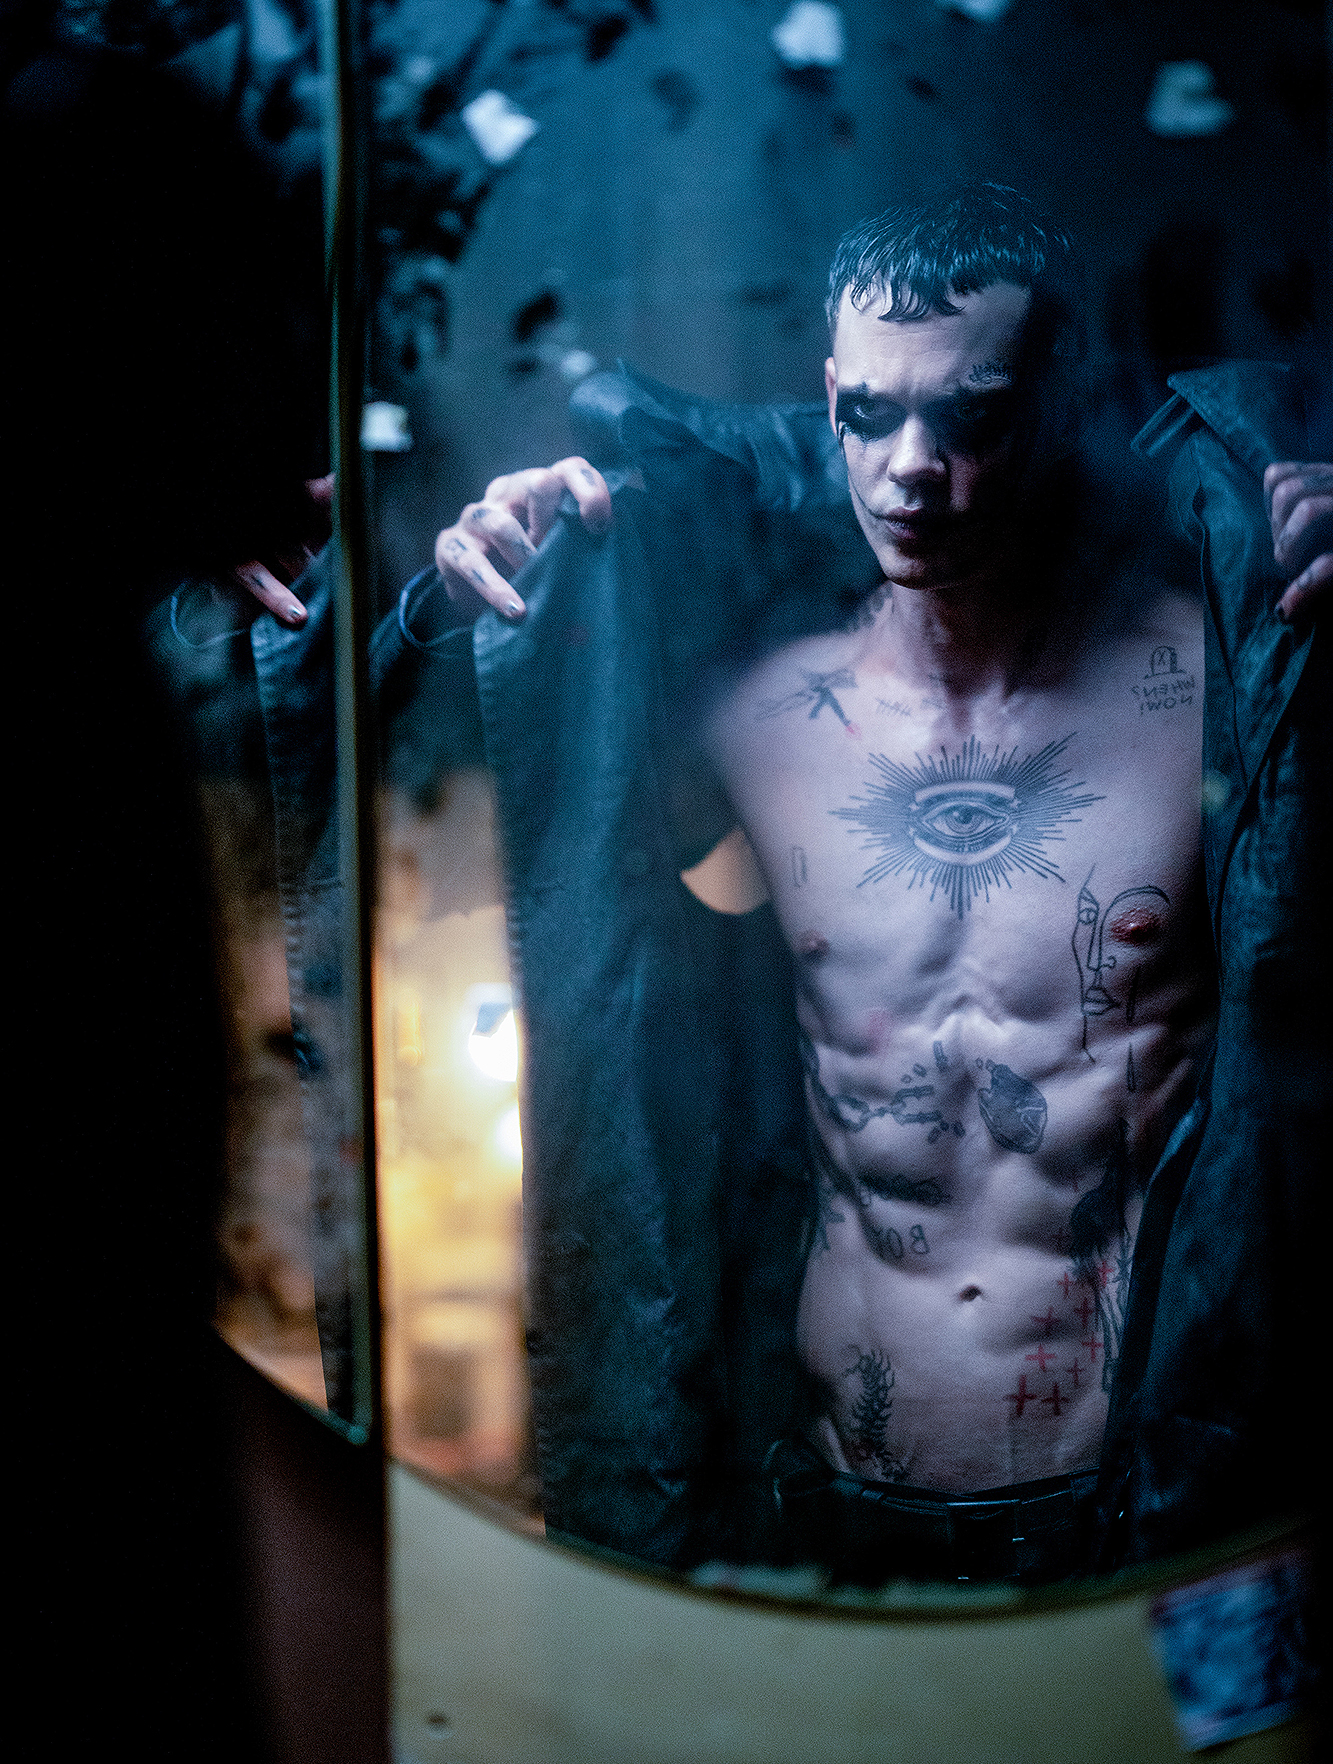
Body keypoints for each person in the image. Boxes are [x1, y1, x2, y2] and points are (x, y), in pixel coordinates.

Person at [421, 184, 1329, 1585]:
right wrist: (481, 582)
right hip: (829, 1507)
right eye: (870, 415)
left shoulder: (1213, 688)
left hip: (1137, 1525)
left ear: (1058, 400)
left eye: (969, 416)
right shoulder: (757, 714)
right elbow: (493, 813)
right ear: (829, 397)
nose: (912, 470)